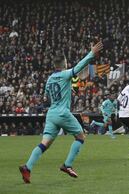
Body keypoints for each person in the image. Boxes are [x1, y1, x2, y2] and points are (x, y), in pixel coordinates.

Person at [19, 42, 103, 183]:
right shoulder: (65, 74)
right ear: (64, 63)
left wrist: (65, 91)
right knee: (80, 137)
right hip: (62, 113)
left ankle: (28, 167)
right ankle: (67, 165)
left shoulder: (49, 79)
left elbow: (48, 96)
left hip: (51, 114)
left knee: (44, 144)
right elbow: (78, 68)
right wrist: (91, 54)